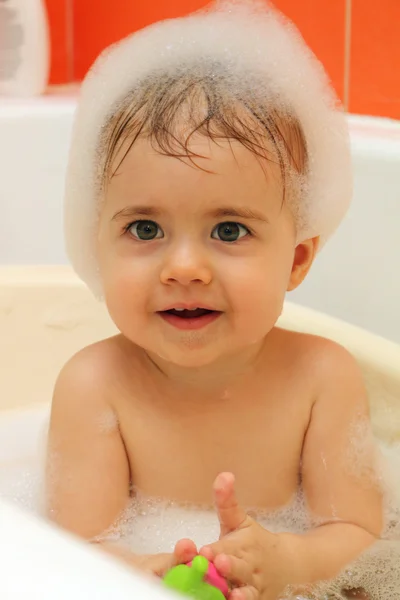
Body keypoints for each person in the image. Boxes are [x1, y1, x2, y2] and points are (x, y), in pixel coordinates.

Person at [46, 2, 382, 598]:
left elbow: (358, 536)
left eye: (229, 231)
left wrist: (288, 563)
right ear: (97, 248)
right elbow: (74, 553)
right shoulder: (94, 387)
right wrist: (138, 575)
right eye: (145, 230)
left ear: (297, 260)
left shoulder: (321, 378)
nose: (184, 269)